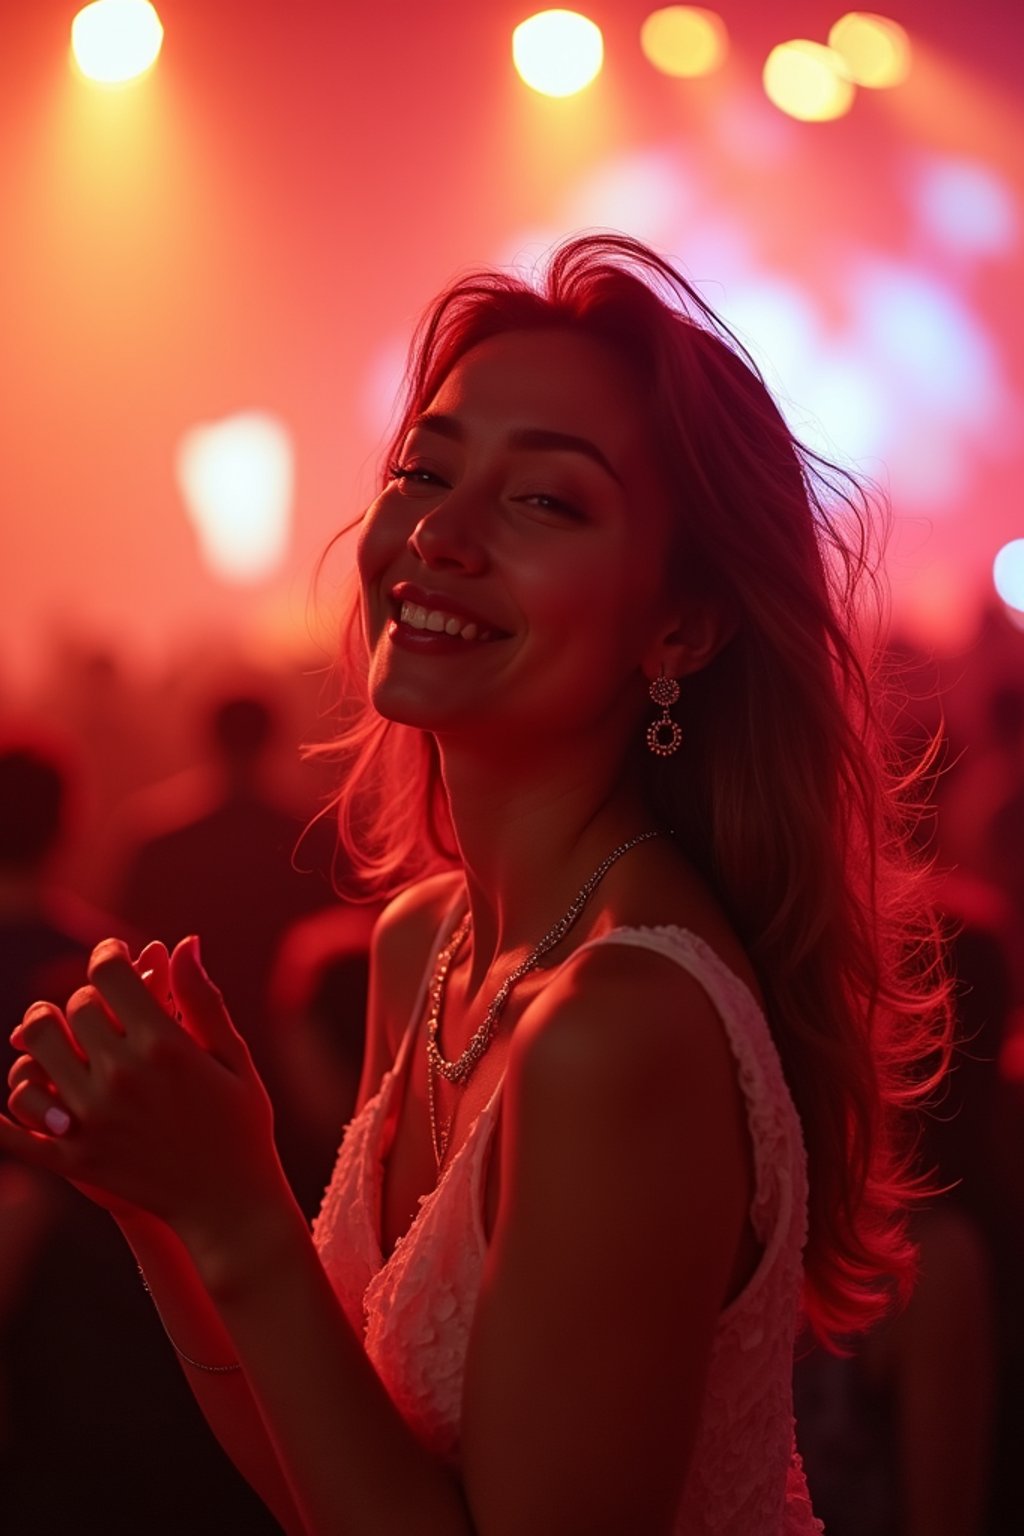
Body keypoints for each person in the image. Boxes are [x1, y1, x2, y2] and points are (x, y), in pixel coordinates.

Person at [1, 234, 951, 1535]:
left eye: (543, 501)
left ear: (679, 624)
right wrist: (160, 1203)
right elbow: (324, 1486)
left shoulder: (623, 1026)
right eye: (424, 472)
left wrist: (238, 1206)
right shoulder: (425, 944)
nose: (438, 534)